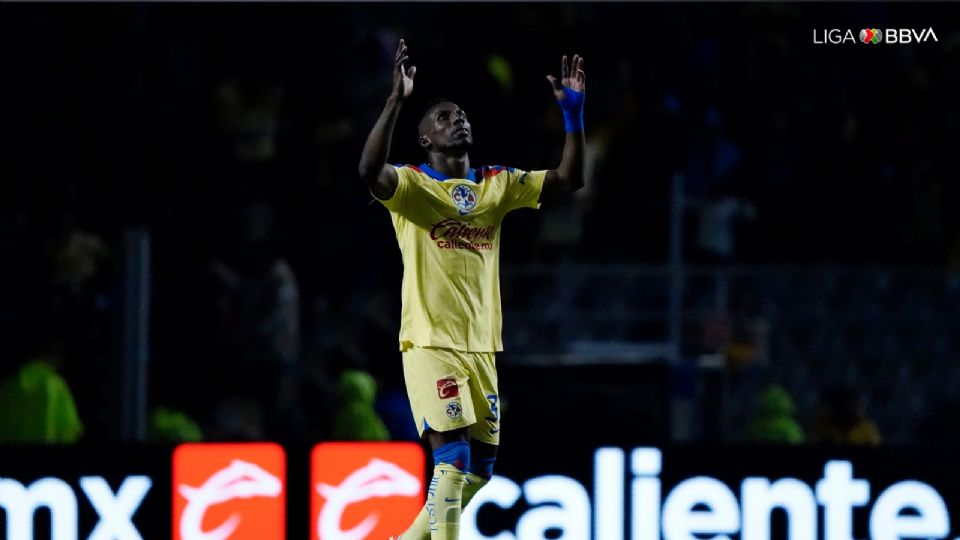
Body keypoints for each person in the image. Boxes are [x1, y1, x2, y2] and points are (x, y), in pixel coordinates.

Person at [358, 39, 585, 540]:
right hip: (431, 341)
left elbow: (570, 178)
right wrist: (395, 101)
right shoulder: (413, 188)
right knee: (453, 457)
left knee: (479, 471)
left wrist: (573, 117)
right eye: (442, 117)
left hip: (482, 345)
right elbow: (369, 173)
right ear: (424, 139)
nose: (457, 119)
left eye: (460, 115)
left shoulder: (497, 185)